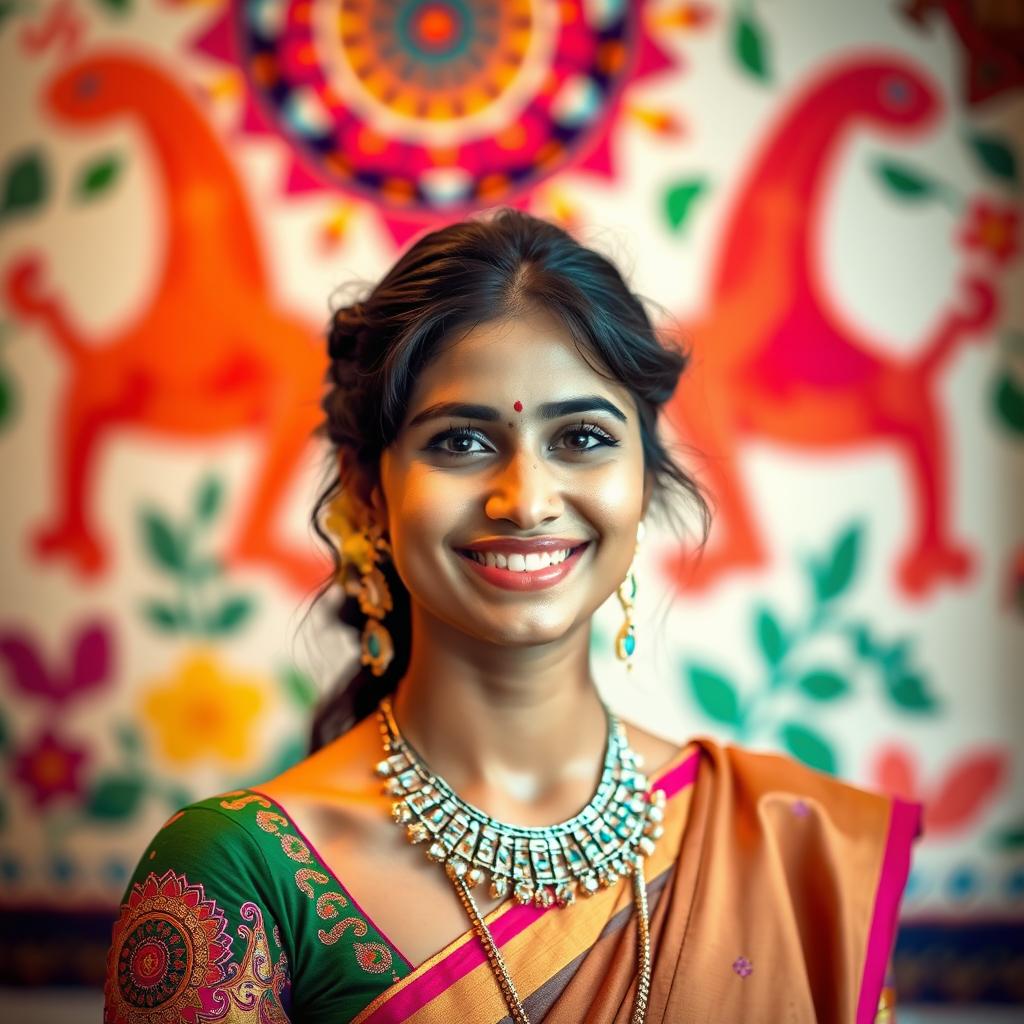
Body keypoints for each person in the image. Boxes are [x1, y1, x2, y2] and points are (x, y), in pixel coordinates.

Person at [103, 208, 916, 1023]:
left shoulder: (792, 851)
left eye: (584, 438)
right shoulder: (239, 875)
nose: (525, 501)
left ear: (644, 479)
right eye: (460, 442)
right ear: (367, 490)